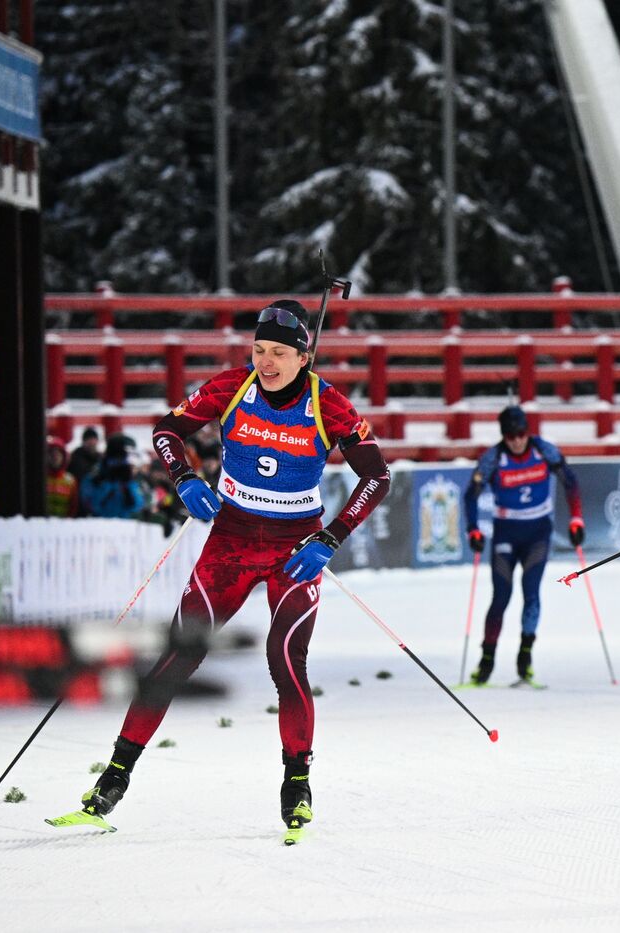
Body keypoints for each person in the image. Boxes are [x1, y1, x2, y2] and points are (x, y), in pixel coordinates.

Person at [54, 299, 390, 842]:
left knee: (285, 660)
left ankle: (297, 786)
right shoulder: (233, 386)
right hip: (229, 543)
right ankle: (112, 781)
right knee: (178, 653)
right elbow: (167, 430)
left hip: (293, 550)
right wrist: (185, 479)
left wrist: (331, 538)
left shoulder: (328, 405)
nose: (267, 362)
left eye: (280, 353)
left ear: (304, 356)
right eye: (259, 350)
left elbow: (377, 477)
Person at [464, 405, 583, 687]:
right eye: (509, 435)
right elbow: (471, 495)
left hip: (537, 534)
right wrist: (473, 530)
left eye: (520, 433)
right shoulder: (493, 458)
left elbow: (571, 482)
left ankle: (525, 658)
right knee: (501, 596)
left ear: (527, 431)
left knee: (531, 592)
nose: (516, 440)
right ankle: (486, 661)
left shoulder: (544, 451)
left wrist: (576, 518)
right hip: (506, 534)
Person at [79, 435, 146, 519]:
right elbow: (90, 505)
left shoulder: (134, 478)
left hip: (126, 525)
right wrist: (107, 483)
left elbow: (138, 505)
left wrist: (128, 484)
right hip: (99, 525)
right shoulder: (95, 475)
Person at [45, 438, 79, 517]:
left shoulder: (70, 480)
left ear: (64, 457)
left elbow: (74, 506)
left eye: (58, 454)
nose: (55, 458)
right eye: (52, 454)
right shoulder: (40, 478)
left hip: (63, 525)